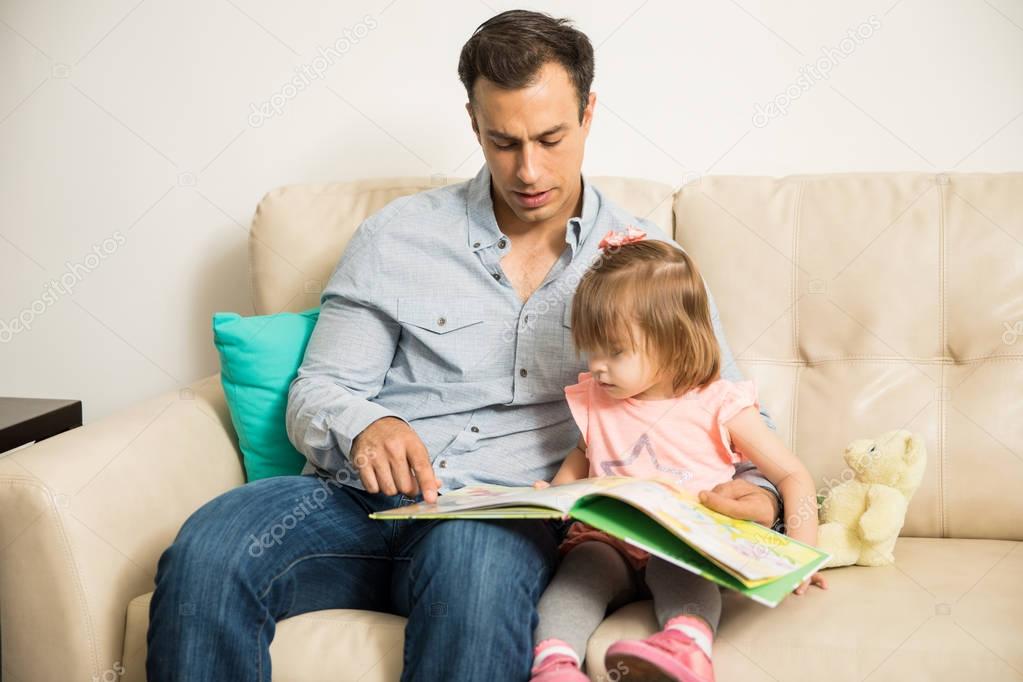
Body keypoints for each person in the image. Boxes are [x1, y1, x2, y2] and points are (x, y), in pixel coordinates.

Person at [146, 10, 786, 681]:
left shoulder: (645, 265)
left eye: (550, 138)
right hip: (353, 505)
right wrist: (370, 424)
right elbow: (318, 391)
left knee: (472, 576)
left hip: (500, 516)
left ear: (588, 113)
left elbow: (719, 403)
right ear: (472, 122)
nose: (528, 169)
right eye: (503, 141)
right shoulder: (395, 238)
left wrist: (764, 498)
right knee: (210, 546)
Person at [527, 229, 828, 682]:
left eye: (616, 350)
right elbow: (580, 456)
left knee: (681, 569)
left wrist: (801, 555)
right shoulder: (598, 399)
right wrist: (553, 495)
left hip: (684, 542)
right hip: (610, 541)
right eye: (592, 348)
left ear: (673, 342)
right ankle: (555, 663)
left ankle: (686, 645)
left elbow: (792, 476)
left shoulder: (720, 403)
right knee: (576, 578)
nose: (597, 365)